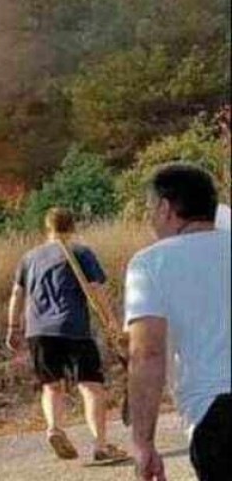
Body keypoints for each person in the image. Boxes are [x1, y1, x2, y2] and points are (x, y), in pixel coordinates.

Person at [124, 163, 230, 481]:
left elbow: (147, 354)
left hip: (218, 414)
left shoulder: (152, 262)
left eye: (150, 209)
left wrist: (143, 443)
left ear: (165, 207)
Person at [6, 208, 129, 463]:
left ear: (47, 228)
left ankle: (54, 428)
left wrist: (13, 327)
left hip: (38, 330)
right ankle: (100, 445)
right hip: (73, 328)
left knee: (51, 386)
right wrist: (113, 325)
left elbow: (17, 295)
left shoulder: (29, 257)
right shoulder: (81, 252)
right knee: (90, 385)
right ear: (72, 227)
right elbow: (96, 291)